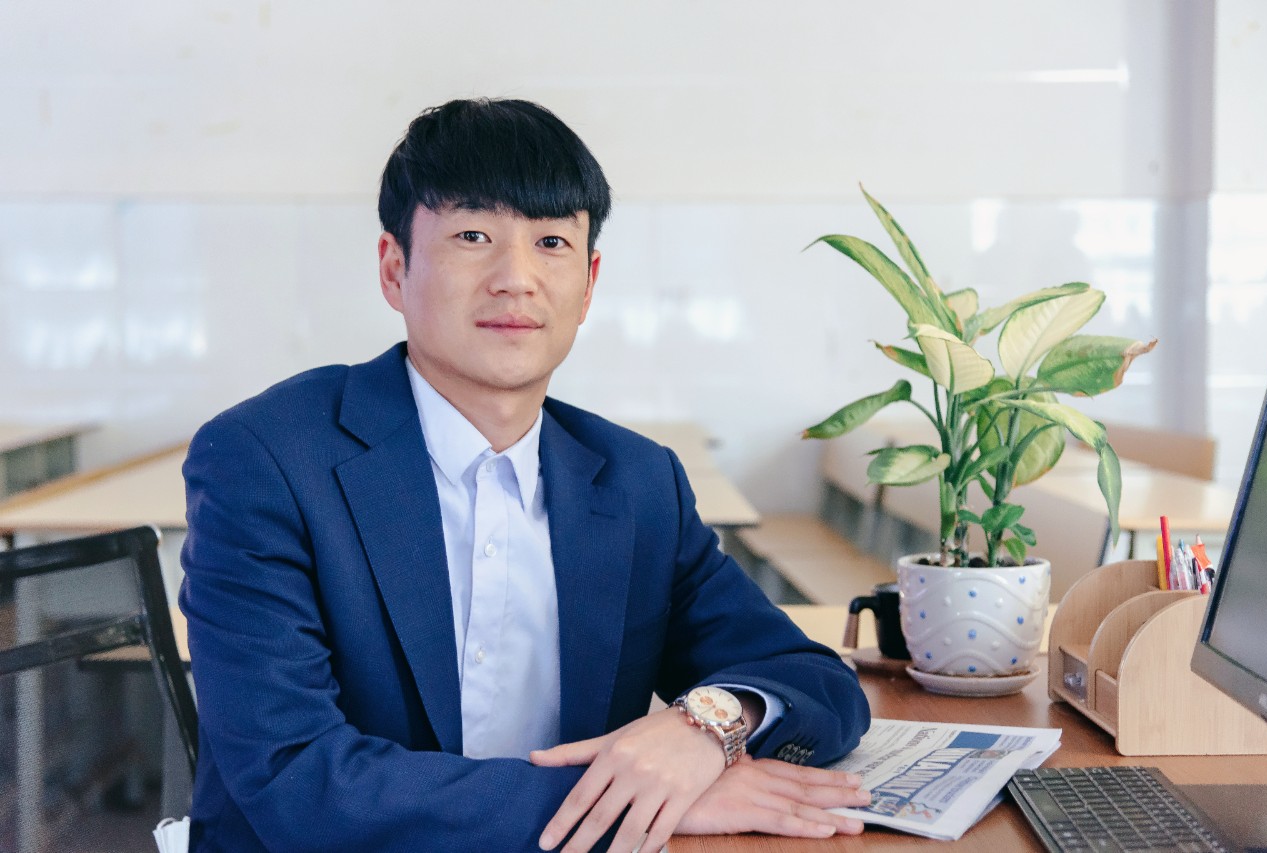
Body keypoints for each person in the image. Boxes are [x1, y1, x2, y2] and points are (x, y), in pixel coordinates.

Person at [179, 97, 873, 853]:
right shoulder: (266, 461)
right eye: (472, 236)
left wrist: (704, 729)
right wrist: (628, 799)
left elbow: (813, 680)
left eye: (551, 242)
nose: (517, 278)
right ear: (394, 268)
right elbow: (296, 778)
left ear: (589, 282)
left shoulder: (638, 483)